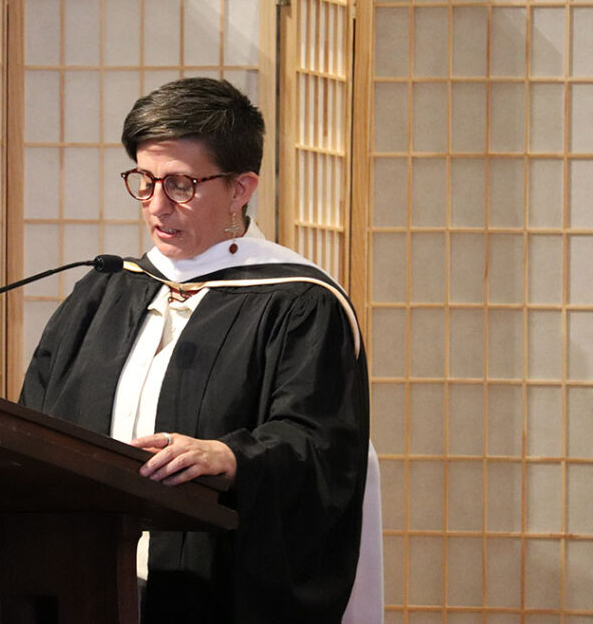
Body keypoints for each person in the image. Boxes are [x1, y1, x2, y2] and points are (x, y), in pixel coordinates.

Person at [19, 78, 369, 622]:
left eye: (181, 184)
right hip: (83, 580)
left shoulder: (297, 303)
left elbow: (320, 446)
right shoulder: (106, 290)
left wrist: (232, 459)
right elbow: (36, 425)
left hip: (212, 588)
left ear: (240, 188)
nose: (157, 206)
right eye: (143, 180)